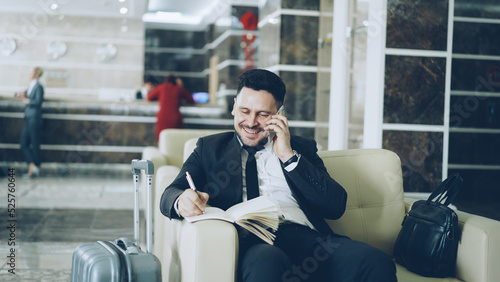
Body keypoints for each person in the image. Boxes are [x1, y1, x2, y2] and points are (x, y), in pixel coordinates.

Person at [159, 69, 397, 281]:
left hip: (307, 239)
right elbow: (170, 193)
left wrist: (288, 156)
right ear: (233, 107)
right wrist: (182, 201)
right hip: (252, 241)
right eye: (244, 111)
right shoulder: (209, 148)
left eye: (262, 114)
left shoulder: (300, 149)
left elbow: (335, 206)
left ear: (278, 114)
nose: (251, 122)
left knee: (375, 262)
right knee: (267, 263)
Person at [147, 74, 195, 141]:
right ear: (175, 81)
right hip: (175, 118)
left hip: (163, 118)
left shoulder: (161, 87)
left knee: (162, 140)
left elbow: (149, 98)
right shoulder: (179, 89)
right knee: (176, 140)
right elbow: (191, 100)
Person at [16, 66, 45, 178]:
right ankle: (33, 165)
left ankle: (35, 167)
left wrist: (26, 100)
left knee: (35, 143)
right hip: (29, 118)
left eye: (31, 72)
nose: (29, 74)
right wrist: (23, 95)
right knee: (24, 143)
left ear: (36, 74)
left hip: (35, 118)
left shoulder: (39, 87)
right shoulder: (31, 86)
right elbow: (28, 94)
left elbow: (38, 102)